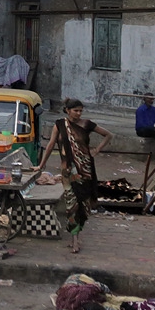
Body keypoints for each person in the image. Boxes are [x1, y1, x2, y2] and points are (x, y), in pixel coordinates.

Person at [36, 98, 112, 254]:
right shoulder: (59, 125)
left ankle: (77, 234)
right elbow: (50, 145)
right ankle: (75, 239)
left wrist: (97, 150)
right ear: (67, 110)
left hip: (85, 170)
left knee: (83, 204)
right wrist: (41, 164)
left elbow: (108, 135)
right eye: (75, 110)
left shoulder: (86, 124)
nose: (78, 113)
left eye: (80, 111)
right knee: (71, 204)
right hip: (67, 171)